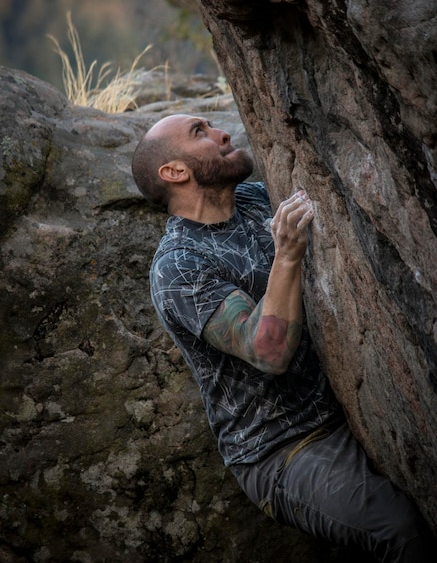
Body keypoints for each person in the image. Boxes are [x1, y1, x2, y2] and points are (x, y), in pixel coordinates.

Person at [131, 113, 435, 561]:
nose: (221, 133)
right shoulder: (178, 266)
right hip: (284, 448)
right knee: (399, 529)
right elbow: (267, 352)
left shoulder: (254, 200)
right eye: (201, 132)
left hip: (344, 402)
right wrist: (287, 256)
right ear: (175, 172)